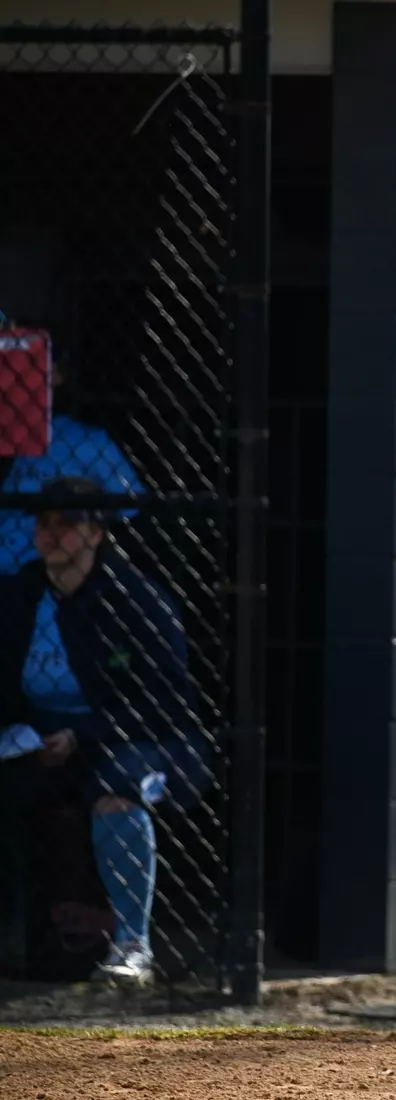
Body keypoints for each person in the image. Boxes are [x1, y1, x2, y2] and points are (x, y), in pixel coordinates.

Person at [0, 477, 212, 986]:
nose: (52, 535)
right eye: (44, 524)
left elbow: (163, 704)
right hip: (44, 739)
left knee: (117, 790)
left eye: (67, 524)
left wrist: (81, 733)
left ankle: (133, 946)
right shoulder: (22, 595)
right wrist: (27, 732)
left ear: (97, 533)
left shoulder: (135, 599)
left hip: (146, 740)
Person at [0, 346, 147, 575]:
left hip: (50, 571)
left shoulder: (86, 441)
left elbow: (133, 514)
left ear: (57, 375)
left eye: (31, 365)